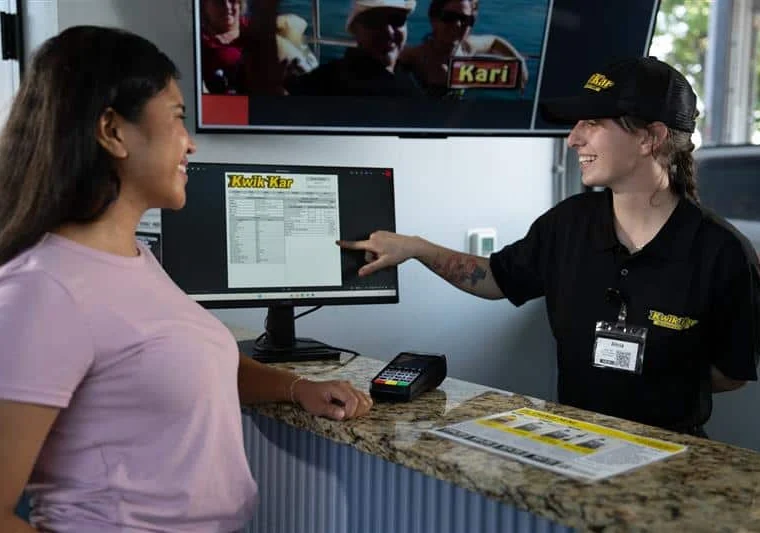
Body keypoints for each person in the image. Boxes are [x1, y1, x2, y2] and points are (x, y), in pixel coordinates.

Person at [0, 25, 371, 532]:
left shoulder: (135, 260)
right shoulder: (44, 291)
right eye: (176, 118)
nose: (190, 144)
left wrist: (296, 386)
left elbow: (186, 364)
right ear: (112, 131)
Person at [338, 56, 760, 437]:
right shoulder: (569, 223)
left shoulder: (722, 254)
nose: (574, 139)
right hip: (575, 442)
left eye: (592, 122)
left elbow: (730, 373)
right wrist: (415, 247)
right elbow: (496, 278)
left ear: (651, 137)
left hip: (672, 454)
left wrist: (653, 383)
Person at [284, 0, 424, 96]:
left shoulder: (326, 76)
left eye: (397, 20)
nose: (389, 32)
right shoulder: (340, 84)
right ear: (356, 30)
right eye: (374, 21)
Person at [398, 0, 528, 98]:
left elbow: (493, 41)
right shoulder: (416, 56)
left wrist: (519, 60)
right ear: (434, 19)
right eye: (449, 17)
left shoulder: (467, 47)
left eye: (465, 19)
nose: (458, 24)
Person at [200, 0, 317, 94]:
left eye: (232, 0)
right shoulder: (199, 42)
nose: (227, 7)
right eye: (218, 2)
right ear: (205, 6)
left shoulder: (256, 28)